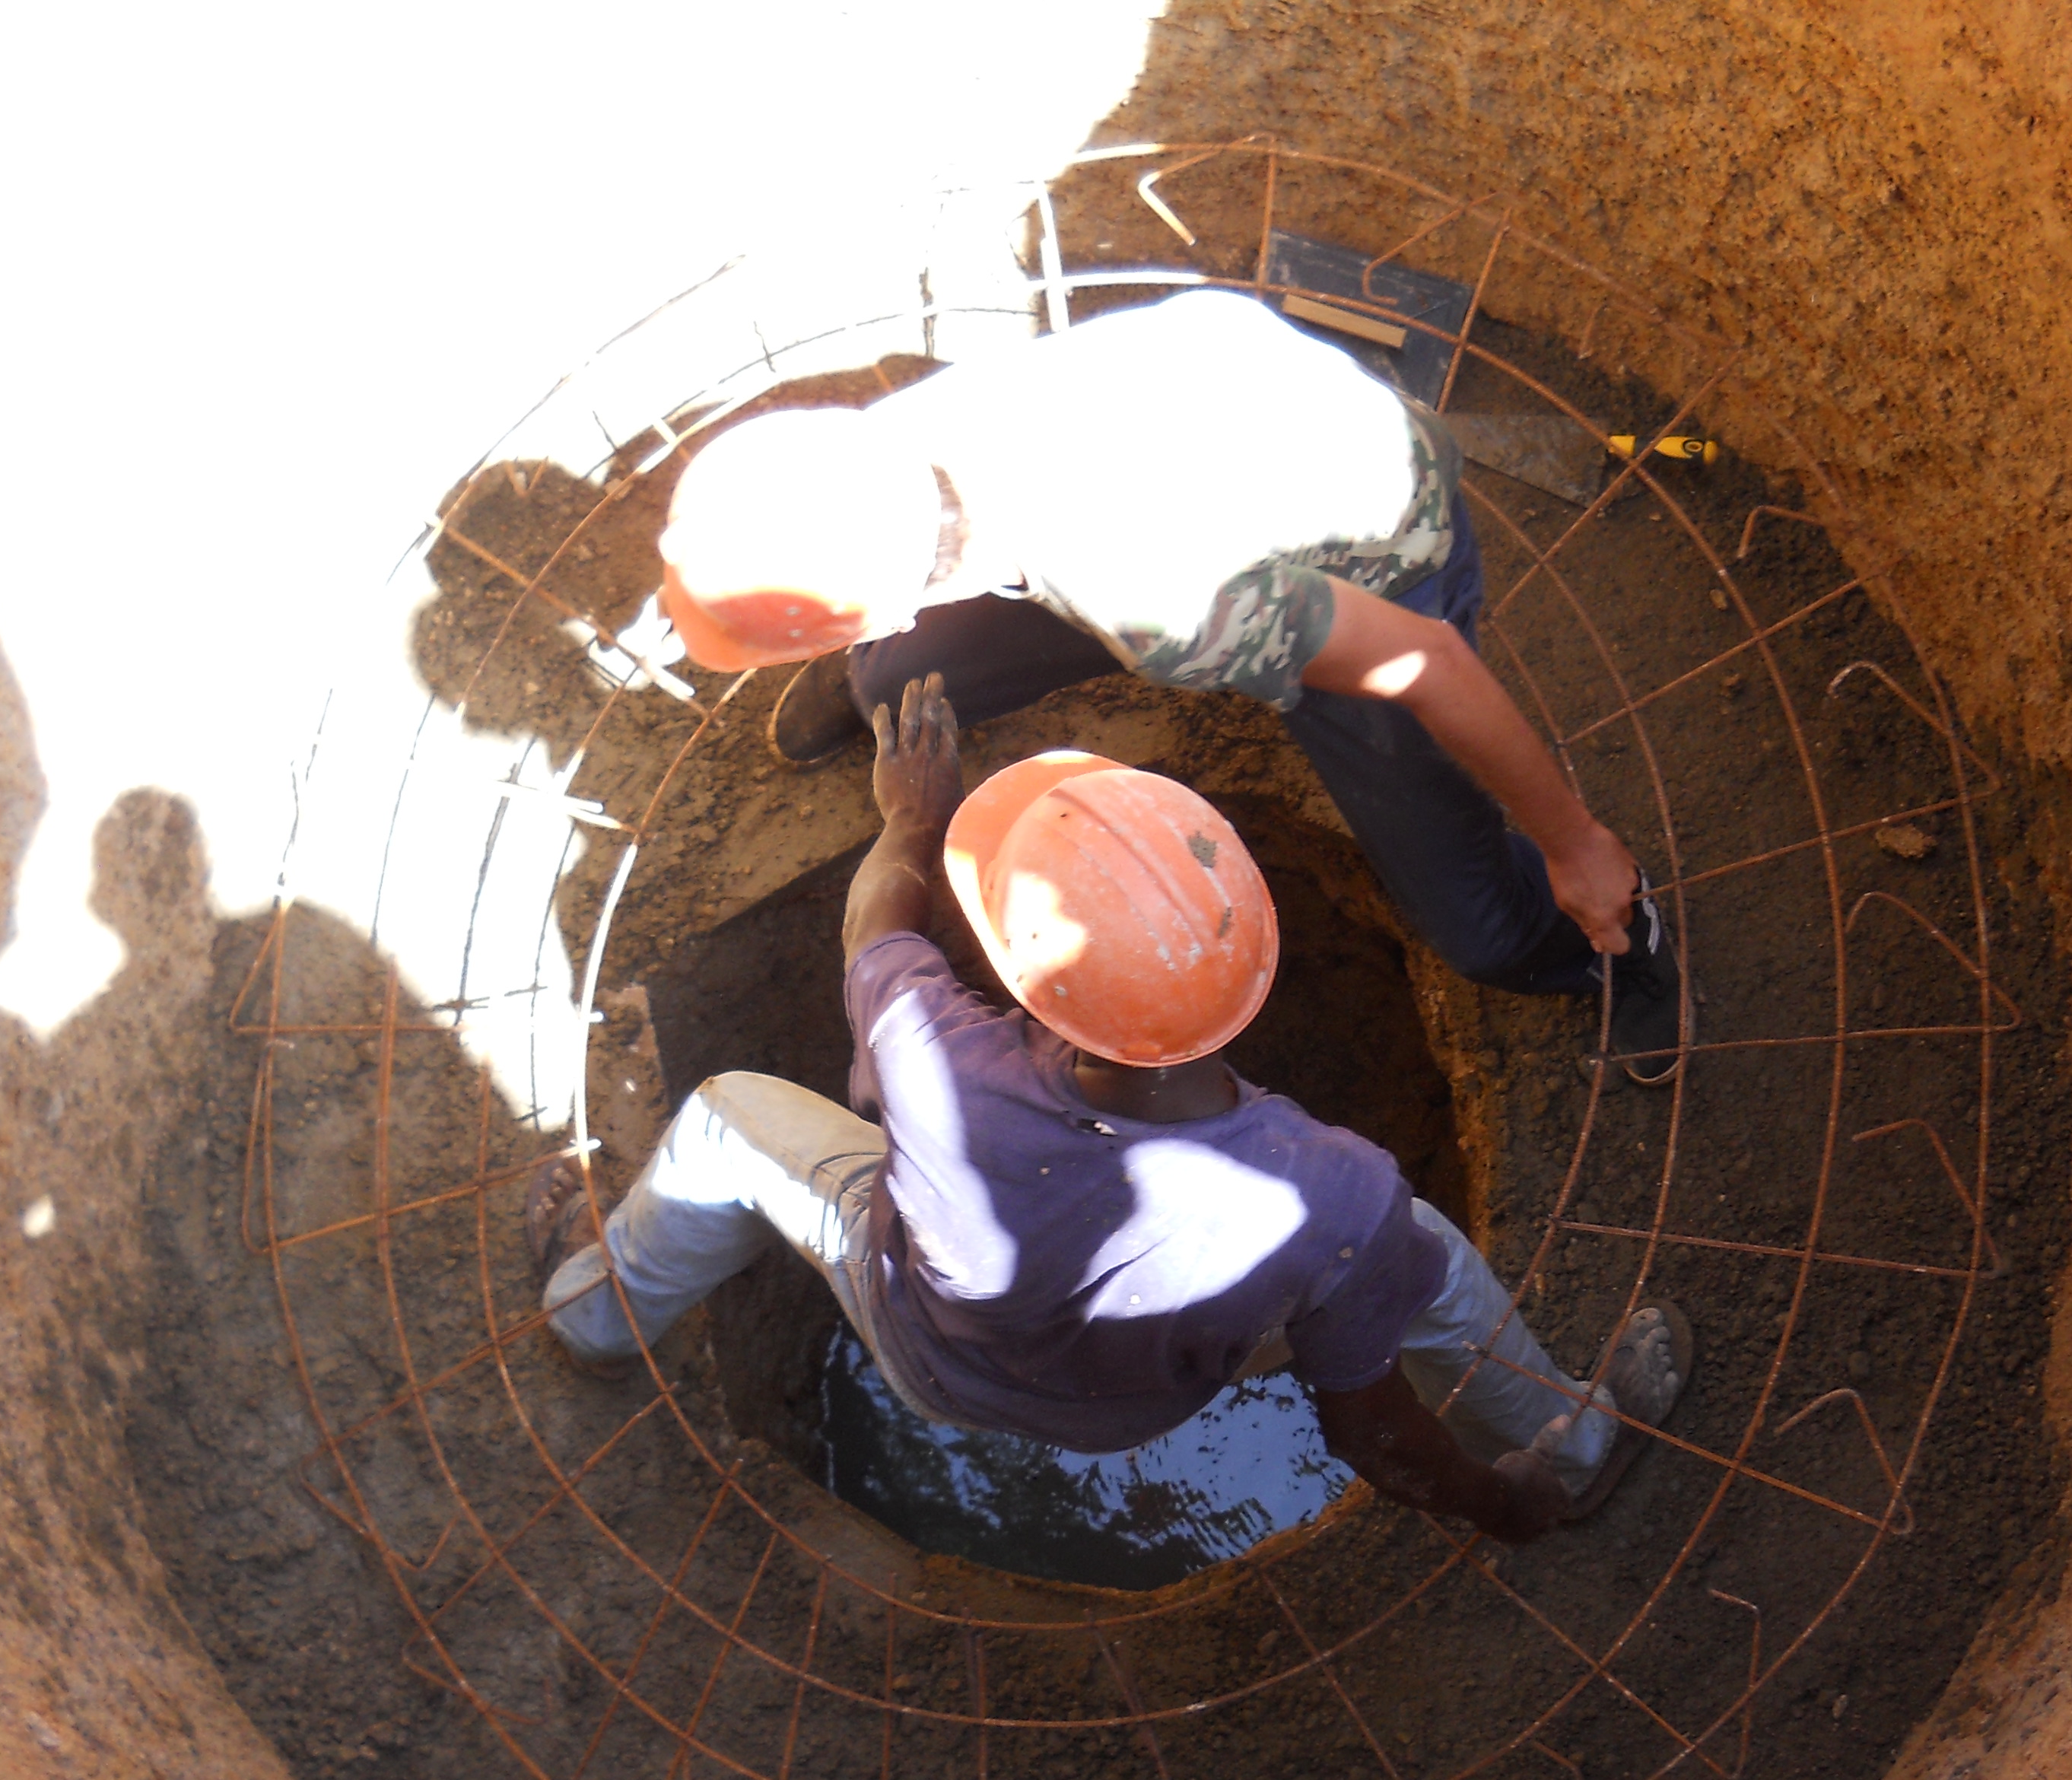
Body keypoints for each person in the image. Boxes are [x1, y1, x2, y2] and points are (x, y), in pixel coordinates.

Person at [527, 675, 1692, 1546]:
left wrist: (908, 819)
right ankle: (1577, 1449)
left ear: (1035, 990)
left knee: (729, 1119)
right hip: (1149, 1392)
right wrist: (1509, 1506)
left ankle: (597, 1314)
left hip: (926, 1348)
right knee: (1420, 1252)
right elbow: (1372, 1429)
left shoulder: (936, 1056)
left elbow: (876, 927)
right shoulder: (1331, 1191)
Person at [650, 288, 1689, 1083]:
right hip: (1214, 471)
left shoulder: (1159, 599)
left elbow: (1430, 661)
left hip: (1372, 548)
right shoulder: (888, 448)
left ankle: (1614, 948)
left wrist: (1574, 842)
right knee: (901, 676)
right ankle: (874, 675)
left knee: (1479, 931)